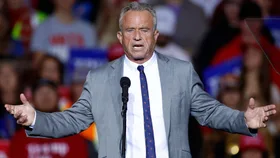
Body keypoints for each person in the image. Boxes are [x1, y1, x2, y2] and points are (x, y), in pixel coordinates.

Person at [4, 2, 277, 158]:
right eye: (130, 30)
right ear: (120, 37)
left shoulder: (181, 72)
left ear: (156, 35)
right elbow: (72, 120)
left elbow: (209, 111)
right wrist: (37, 119)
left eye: (144, 29)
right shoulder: (100, 79)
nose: (137, 36)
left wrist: (243, 120)